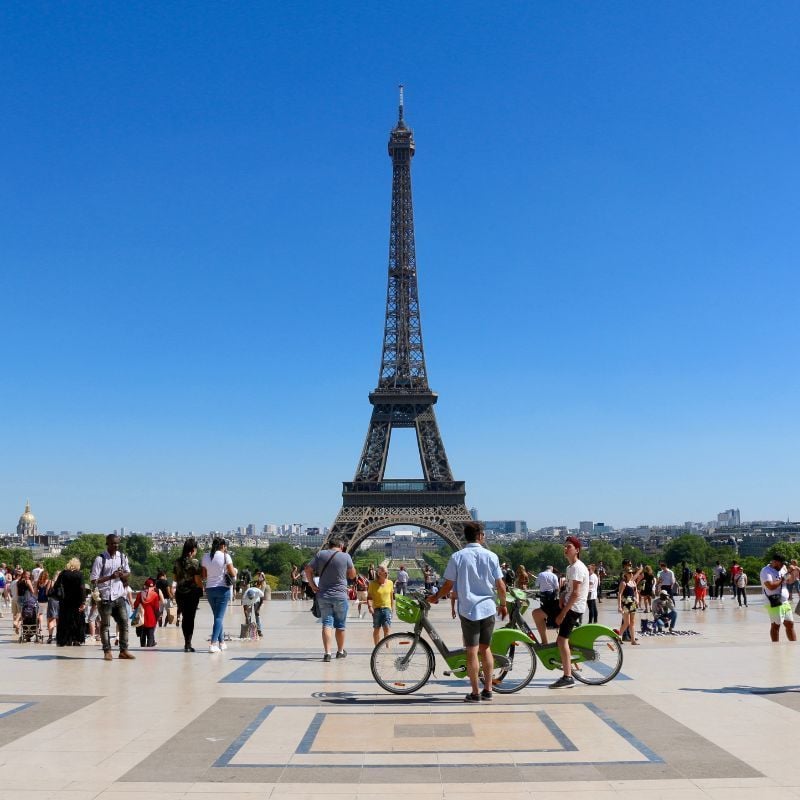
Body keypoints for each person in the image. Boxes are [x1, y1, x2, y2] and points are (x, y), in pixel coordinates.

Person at [429, 521, 507, 702]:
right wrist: (503, 604)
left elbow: (448, 585)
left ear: (465, 536)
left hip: (469, 609)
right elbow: (501, 586)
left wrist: (435, 598)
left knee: (471, 651)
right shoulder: (491, 556)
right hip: (488, 608)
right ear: (480, 536)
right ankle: (488, 690)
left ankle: (475, 693)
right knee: (486, 649)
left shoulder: (458, 557)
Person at [547, 536, 590, 688]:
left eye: (569, 547)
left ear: (577, 550)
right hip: (569, 604)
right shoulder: (570, 567)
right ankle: (546, 646)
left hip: (573, 608)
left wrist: (562, 613)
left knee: (562, 640)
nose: (565, 549)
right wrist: (562, 596)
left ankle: (567, 676)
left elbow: (576, 594)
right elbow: (570, 590)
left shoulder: (577, 568)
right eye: (565, 546)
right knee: (538, 613)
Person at [306, 536, 356, 661]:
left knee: (327, 624)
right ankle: (340, 651)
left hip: (324, 595)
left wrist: (312, 585)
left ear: (329, 545)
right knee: (340, 626)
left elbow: (308, 569)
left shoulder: (320, 554)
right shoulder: (345, 556)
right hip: (340, 595)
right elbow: (352, 574)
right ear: (341, 546)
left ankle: (327, 653)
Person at [90, 534, 135, 661]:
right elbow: (94, 579)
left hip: (119, 595)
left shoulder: (122, 557)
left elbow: (128, 572)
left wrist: (122, 575)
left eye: (117, 543)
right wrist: (111, 577)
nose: (115, 546)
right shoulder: (100, 559)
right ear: (107, 543)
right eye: (113, 543)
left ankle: (124, 650)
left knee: (124, 623)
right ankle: (107, 651)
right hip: (105, 596)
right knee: (105, 625)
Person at [202, 537, 237, 653]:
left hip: (210, 589)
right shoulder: (225, 556)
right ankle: (213, 644)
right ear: (222, 546)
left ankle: (222, 643)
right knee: (219, 617)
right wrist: (234, 572)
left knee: (217, 616)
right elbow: (232, 573)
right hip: (223, 589)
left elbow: (204, 575)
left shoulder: (206, 556)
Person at [174, 537, 203, 652]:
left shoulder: (177, 561)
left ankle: (186, 641)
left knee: (185, 617)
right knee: (190, 618)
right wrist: (201, 588)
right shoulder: (195, 563)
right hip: (191, 593)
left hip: (180, 593)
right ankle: (188, 643)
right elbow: (197, 579)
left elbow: (175, 578)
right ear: (192, 550)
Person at [761, 553, 796, 642]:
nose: (783, 565)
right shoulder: (766, 571)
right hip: (773, 602)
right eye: (781, 563)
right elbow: (771, 586)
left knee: (790, 624)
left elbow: (790, 581)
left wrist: (791, 573)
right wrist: (783, 578)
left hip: (784, 601)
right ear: (775, 562)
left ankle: (794, 644)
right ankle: (775, 647)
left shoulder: (783, 569)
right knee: (776, 625)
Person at [52, 559, 85, 646]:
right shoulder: (79, 574)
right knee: (77, 620)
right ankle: (76, 639)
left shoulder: (63, 574)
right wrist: (83, 602)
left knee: (64, 620)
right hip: (76, 601)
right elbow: (82, 588)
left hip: (64, 601)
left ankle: (65, 639)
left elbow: (55, 586)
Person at [367, 565, 394, 645]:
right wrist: (370, 607)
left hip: (387, 608)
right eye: (385, 572)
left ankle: (387, 647)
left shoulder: (390, 583)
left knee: (387, 629)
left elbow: (391, 596)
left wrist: (392, 608)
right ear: (379, 573)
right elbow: (369, 597)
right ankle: (377, 647)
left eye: (387, 572)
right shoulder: (372, 584)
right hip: (376, 609)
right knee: (376, 629)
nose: (386, 574)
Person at [532, 565, 560, 641]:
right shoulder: (553, 575)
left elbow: (537, 584)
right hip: (551, 594)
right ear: (551, 569)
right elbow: (557, 587)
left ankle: (544, 623)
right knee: (550, 609)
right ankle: (550, 623)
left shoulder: (540, 574)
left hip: (543, 595)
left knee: (542, 609)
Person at [134, 578, 161, 647]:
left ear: (144, 586)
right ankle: (149, 651)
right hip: (151, 619)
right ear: (152, 587)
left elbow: (135, 605)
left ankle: (142, 650)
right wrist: (157, 617)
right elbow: (156, 608)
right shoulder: (155, 595)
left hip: (141, 619)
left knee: (142, 637)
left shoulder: (140, 594)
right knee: (150, 636)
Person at [618, 568, 640, 645]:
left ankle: (633, 640)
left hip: (633, 604)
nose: (631, 574)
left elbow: (636, 592)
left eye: (632, 573)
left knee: (632, 622)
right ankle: (619, 636)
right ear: (625, 574)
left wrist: (637, 599)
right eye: (629, 573)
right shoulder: (623, 583)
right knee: (626, 622)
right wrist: (619, 606)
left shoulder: (633, 582)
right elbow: (620, 594)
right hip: (625, 604)